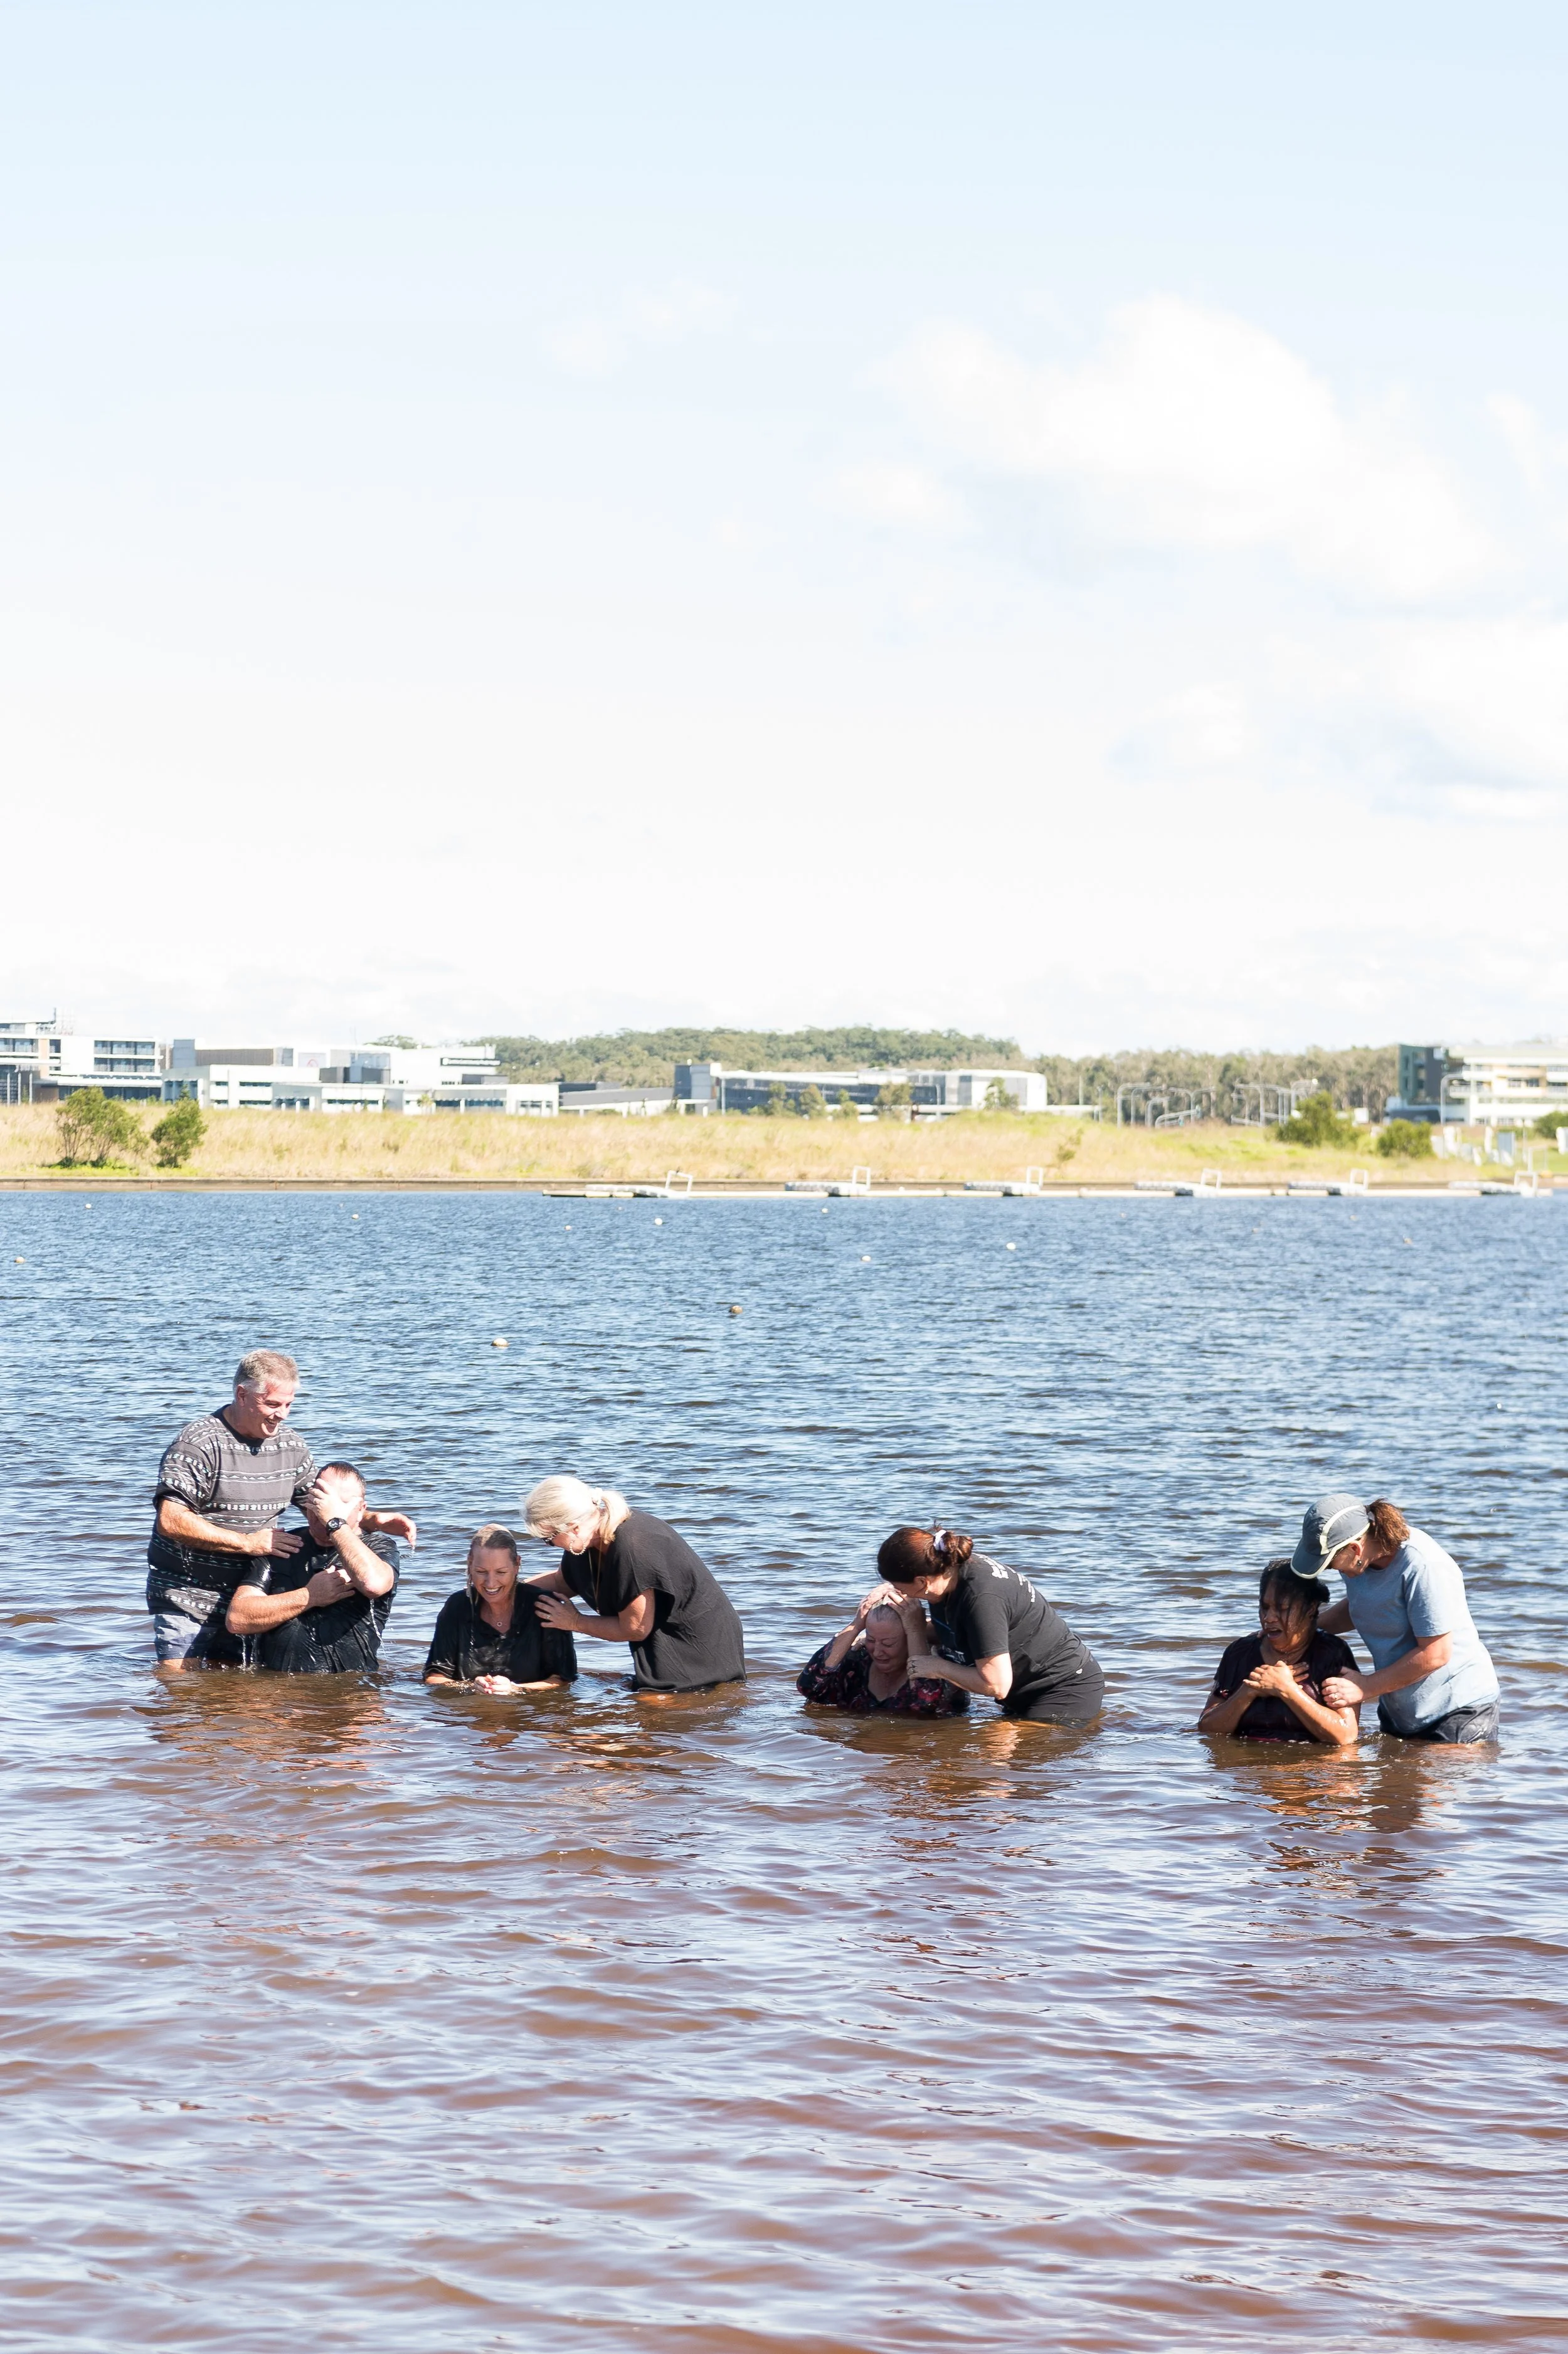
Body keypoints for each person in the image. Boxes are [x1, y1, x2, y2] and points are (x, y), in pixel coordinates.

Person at [146, 1349, 415, 1670]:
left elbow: (316, 1506)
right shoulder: (198, 1444)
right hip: (189, 1597)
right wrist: (249, 1544)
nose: (282, 1414)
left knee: (232, 1699)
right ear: (242, 1395)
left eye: (289, 1404)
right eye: (272, 1404)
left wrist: (372, 1519)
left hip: (256, 1597)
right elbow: (171, 1521)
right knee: (181, 1697)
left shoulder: (290, 1446)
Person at [1292, 1493, 1501, 1744]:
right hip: (1400, 1704)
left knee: (1434, 1780)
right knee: (1394, 1782)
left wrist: (1364, 1687)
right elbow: (1365, 1604)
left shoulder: (1422, 1565)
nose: (1331, 1571)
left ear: (1355, 1548)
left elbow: (1437, 1653)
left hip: (1459, 1709)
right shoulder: (1359, 1561)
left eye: (1330, 1564)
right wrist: (1303, 1630)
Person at [524, 1477, 746, 1693]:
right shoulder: (587, 1541)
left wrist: (574, 1621)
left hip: (694, 1645)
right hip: (661, 1640)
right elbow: (561, 1582)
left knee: (653, 1715)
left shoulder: (633, 1546)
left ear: (573, 1527)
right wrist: (504, 1589)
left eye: (549, 1537)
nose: (550, 1545)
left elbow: (635, 1629)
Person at [870, 1525, 1104, 1723]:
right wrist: (887, 1635)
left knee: (993, 1749)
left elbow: (996, 1685)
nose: (899, 1593)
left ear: (922, 1581)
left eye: (900, 1588)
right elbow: (958, 1632)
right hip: (1021, 1691)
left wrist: (936, 1666)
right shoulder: (947, 1577)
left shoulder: (982, 1599)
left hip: (1062, 1688)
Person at [226, 1461, 399, 1673]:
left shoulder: (377, 1548)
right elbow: (237, 1619)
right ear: (309, 1501)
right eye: (320, 1500)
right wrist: (310, 1596)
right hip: (277, 1689)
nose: (324, 1510)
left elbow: (373, 1585)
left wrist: (335, 1523)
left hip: (351, 1689)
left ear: (361, 1509)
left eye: (339, 1503)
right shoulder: (282, 1545)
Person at [1198, 1559, 1361, 1744]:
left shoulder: (1332, 1654)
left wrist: (1287, 1690)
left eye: (1282, 1609)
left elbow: (1345, 1735)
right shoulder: (1239, 1652)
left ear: (1311, 1608)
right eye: (1265, 1608)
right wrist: (1249, 1690)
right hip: (1249, 1768)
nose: (1269, 1618)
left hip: (1309, 1769)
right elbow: (1207, 1728)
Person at [424, 1524, 579, 1694]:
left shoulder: (546, 1607)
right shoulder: (457, 1606)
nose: (491, 1583)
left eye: (501, 1572)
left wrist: (515, 1689)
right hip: (471, 1717)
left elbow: (563, 1680)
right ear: (470, 1564)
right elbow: (434, 1677)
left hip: (532, 1716)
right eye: (481, 1571)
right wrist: (471, 1687)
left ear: (517, 1565)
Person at [797, 1596, 969, 1717]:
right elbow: (810, 1688)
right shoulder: (860, 1658)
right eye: (871, 1640)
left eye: (888, 1644)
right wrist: (856, 1625)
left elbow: (924, 1705)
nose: (877, 1652)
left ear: (910, 1639)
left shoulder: (941, 1665)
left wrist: (916, 1630)